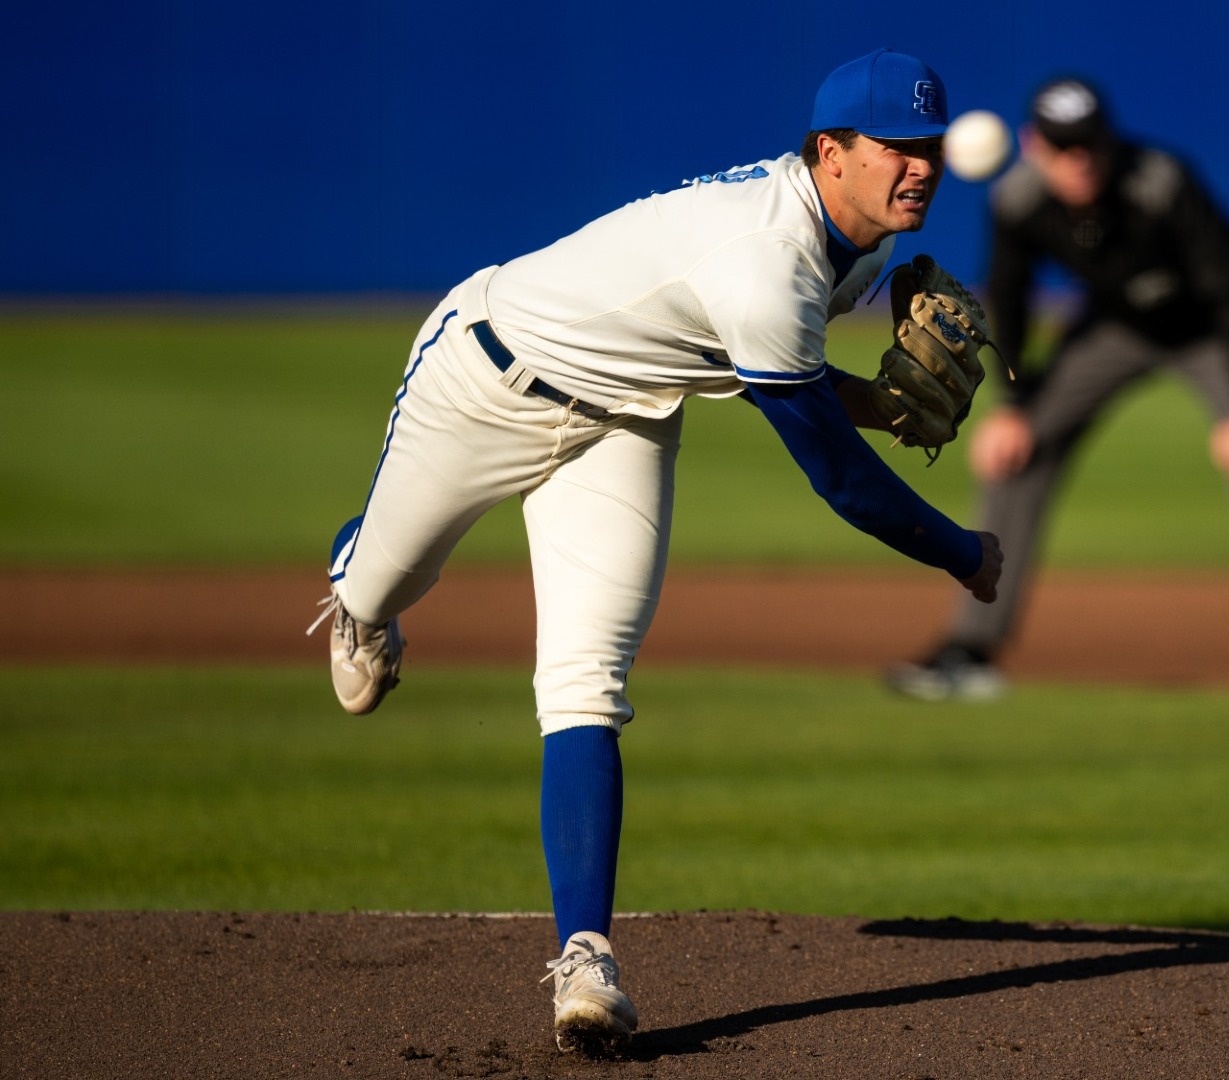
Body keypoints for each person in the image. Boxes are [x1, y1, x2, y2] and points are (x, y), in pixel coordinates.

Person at [307, 47, 1001, 1056]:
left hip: (624, 419)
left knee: (588, 679)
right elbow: (837, 476)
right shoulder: (765, 256)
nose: (920, 166)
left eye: (928, 147)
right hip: (485, 376)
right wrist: (960, 551)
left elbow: (785, 370)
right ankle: (357, 578)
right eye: (895, 146)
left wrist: (886, 403)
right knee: (383, 582)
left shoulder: (850, 239)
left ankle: (584, 959)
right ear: (829, 152)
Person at [885, 75, 1229, 703]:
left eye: (1089, 144)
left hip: (1204, 329)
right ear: (1035, 145)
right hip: (1113, 328)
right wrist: (1014, 406)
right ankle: (969, 651)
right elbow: (1009, 298)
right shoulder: (1019, 198)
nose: (1079, 160)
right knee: (1020, 450)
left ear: (1109, 140)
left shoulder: (1161, 182)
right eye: (1064, 146)